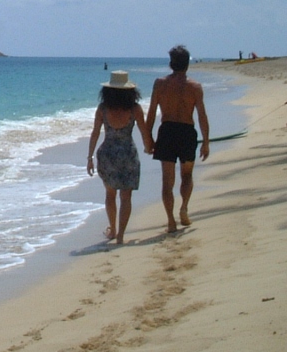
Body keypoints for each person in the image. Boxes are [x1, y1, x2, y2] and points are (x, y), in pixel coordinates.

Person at [146, 45, 210, 233]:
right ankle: (184, 208)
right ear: (187, 65)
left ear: (170, 64)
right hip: (186, 132)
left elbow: (151, 113)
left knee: (167, 181)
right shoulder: (195, 87)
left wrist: (148, 138)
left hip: (166, 131)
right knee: (187, 175)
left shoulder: (160, 84)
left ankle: (171, 221)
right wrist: (206, 141)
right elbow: (202, 116)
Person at [86, 71, 154, 245]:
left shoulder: (102, 109)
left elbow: (95, 133)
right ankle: (121, 235)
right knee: (126, 197)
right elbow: (143, 130)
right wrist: (148, 147)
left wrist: (90, 156)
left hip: (107, 153)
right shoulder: (135, 109)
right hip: (128, 154)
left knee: (110, 194)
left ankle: (113, 229)